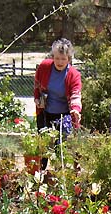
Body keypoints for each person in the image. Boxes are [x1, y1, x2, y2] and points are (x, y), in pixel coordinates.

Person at [33, 38, 82, 169]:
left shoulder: (73, 74)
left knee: (60, 147)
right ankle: (40, 174)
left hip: (64, 115)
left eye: (63, 59)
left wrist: (76, 109)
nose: (60, 62)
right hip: (45, 112)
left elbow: (75, 94)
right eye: (57, 58)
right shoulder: (44, 67)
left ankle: (59, 173)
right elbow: (37, 84)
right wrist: (37, 98)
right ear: (53, 57)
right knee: (43, 145)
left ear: (69, 59)